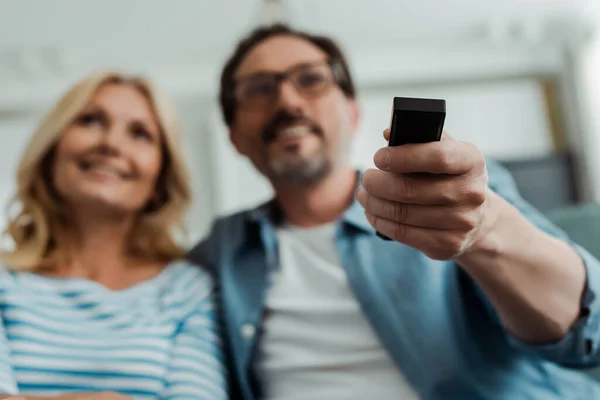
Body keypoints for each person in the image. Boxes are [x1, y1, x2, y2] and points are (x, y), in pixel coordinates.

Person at [189, 23, 600, 400]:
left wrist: (487, 231)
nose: (288, 100)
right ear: (235, 138)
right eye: (259, 89)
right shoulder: (219, 252)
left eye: (311, 79)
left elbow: (590, 334)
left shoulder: (462, 198)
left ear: (352, 114)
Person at [0, 72, 226, 400]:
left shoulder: (189, 290)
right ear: (52, 152)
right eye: (90, 121)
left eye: (140, 134)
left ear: (161, 177)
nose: (111, 144)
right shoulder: (5, 283)